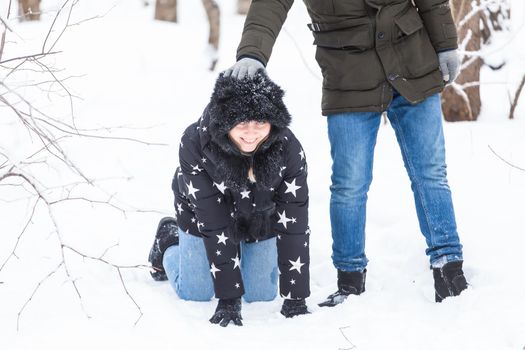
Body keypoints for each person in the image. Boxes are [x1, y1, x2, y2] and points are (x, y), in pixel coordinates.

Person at [225, 0, 467, 305]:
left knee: (430, 173)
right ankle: (350, 278)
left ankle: (449, 266)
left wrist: (445, 44)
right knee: (349, 184)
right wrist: (252, 52)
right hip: (349, 74)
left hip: (411, 60)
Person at [148, 72, 311, 327]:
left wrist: (296, 297)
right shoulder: (194, 143)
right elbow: (215, 224)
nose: (251, 133)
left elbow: (295, 223)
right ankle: (168, 239)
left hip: (259, 216)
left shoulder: (289, 149)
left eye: (260, 122)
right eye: (241, 123)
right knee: (197, 292)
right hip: (204, 215)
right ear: (225, 122)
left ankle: (245, 257)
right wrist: (229, 298)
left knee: (260, 294)